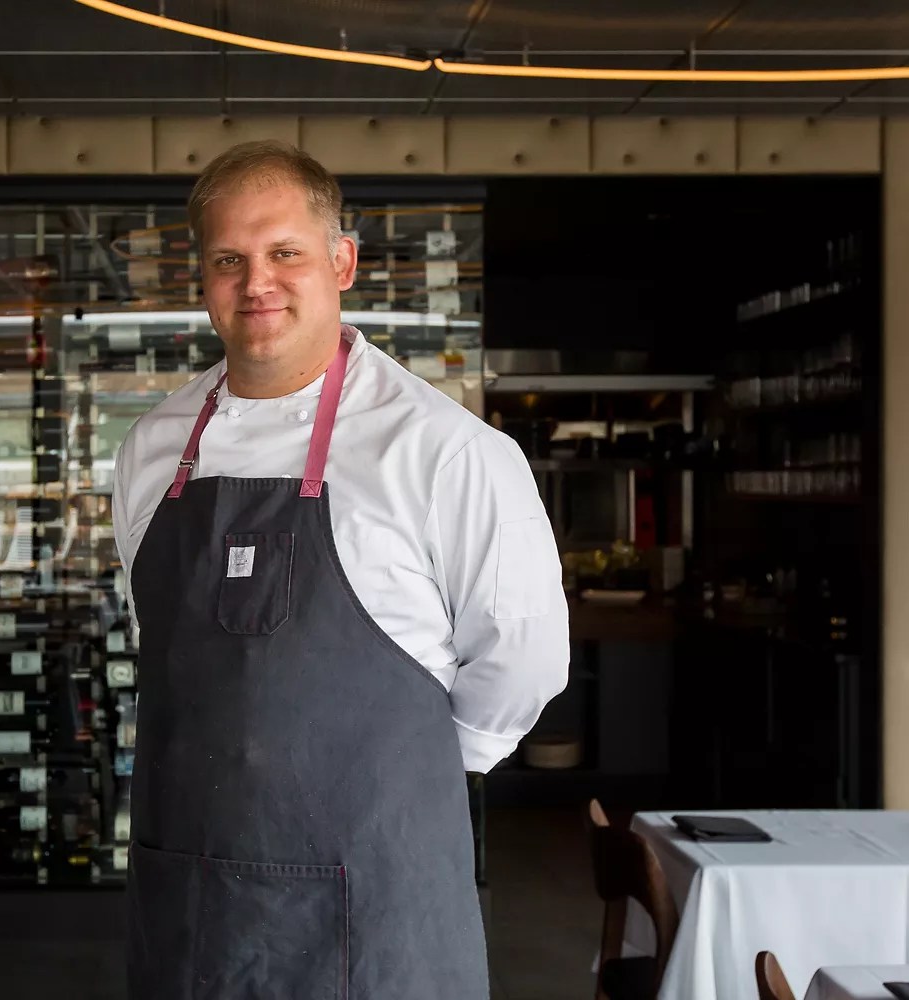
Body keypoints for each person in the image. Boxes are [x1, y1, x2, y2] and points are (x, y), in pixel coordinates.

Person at [113, 140, 568, 1000]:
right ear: (201, 276)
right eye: (228, 260)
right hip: (192, 913)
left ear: (341, 261)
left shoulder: (445, 452)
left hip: (375, 910)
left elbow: (526, 659)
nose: (258, 283)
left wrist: (403, 775)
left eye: (285, 252)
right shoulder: (150, 451)